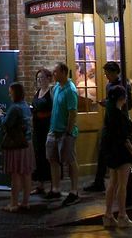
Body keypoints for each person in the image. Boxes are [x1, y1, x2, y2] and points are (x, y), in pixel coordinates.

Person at [85, 61, 132, 202]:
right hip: (109, 122)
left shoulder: (123, 86)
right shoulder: (109, 85)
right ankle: (99, 181)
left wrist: (108, 103)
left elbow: (128, 105)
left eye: (107, 72)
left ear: (114, 72)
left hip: (117, 124)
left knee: (117, 156)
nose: (106, 75)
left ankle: (123, 191)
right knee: (103, 152)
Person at [100, 85, 132, 229]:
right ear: (122, 98)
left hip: (111, 150)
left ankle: (108, 215)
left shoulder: (110, 111)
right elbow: (124, 137)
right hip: (121, 151)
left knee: (112, 183)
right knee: (122, 184)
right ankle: (122, 215)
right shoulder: (119, 115)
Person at [46, 61, 81, 205]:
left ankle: (74, 191)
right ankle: (56, 189)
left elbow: (73, 112)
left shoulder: (70, 90)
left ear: (63, 72)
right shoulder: (57, 88)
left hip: (65, 132)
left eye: (55, 72)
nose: (53, 74)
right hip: (54, 130)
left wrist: (68, 130)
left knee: (70, 161)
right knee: (52, 159)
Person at [0, 81, 34, 213]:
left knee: (15, 174)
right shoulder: (25, 106)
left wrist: (1, 116)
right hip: (27, 143)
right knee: (26, 173)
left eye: (10, 92)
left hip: (17, 144)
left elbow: (6, 124)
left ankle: (13, 203)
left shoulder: (14, 108)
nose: (9, 94)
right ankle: (25, 202)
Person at [30, 67, 54, 196]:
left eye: (42, 78)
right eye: (38, 78)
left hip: (47, 126)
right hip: (37, 127)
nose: (40, 80)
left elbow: (53, 109)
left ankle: (52, 184)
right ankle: (40, 184)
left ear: (49, 78)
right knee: (38, 155)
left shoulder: (51, 92)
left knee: (48, 156)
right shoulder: (38, 91)